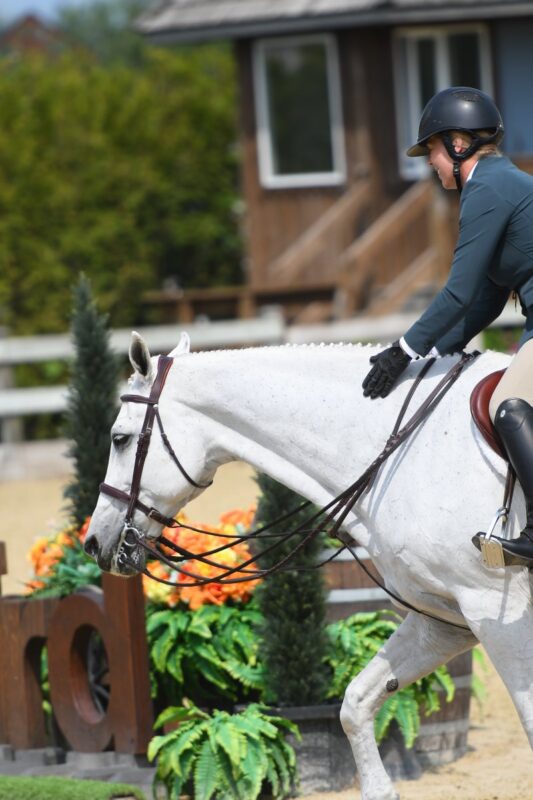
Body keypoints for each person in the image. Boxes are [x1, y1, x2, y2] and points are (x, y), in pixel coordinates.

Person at [362, 86, 533, 568]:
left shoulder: (488, 188)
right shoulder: (499, 183)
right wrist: (440, 351)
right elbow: (486, 297)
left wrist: (403, 350)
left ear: (459, 145)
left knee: (508, 403)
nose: (430, 164)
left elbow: (458, 291)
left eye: (432, 151)